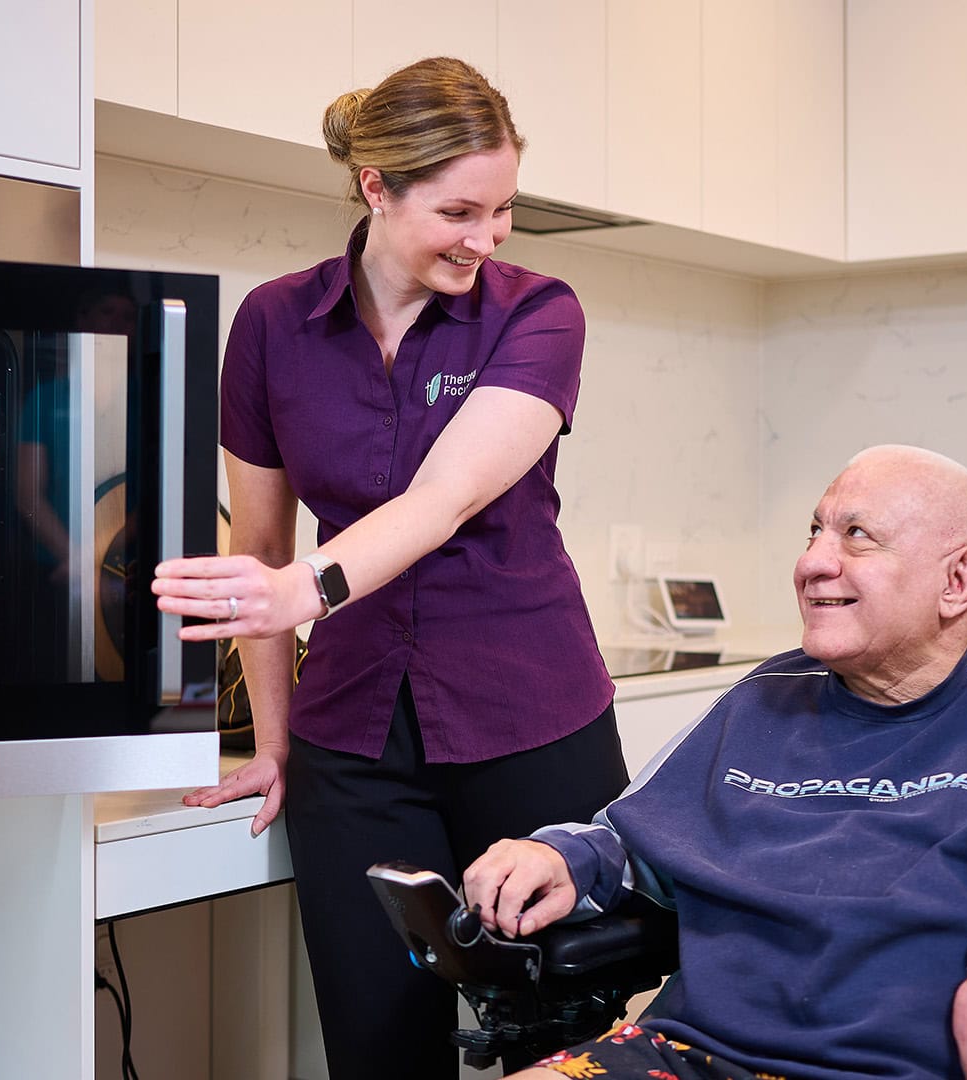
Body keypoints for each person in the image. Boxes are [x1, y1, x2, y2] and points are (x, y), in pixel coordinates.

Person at [462, 445, 967, 1080]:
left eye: (856, 536)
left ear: (959, 578)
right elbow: (644, 837)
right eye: (813, 531)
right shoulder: (767, 697)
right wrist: (564, 856)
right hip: (690, 1054)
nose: (812, 562)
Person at [151, 57, 630, 1078]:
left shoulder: (537, 311)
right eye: (460, 210)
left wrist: (300, 590)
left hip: (532, 716)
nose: (487, 237)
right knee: (377, 1048)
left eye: (503, 210)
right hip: (356, 736)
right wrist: (275, 740)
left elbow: (442, 498)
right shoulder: (275, 324)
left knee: (565, 1048)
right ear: (377, 186)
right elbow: (261, 548)